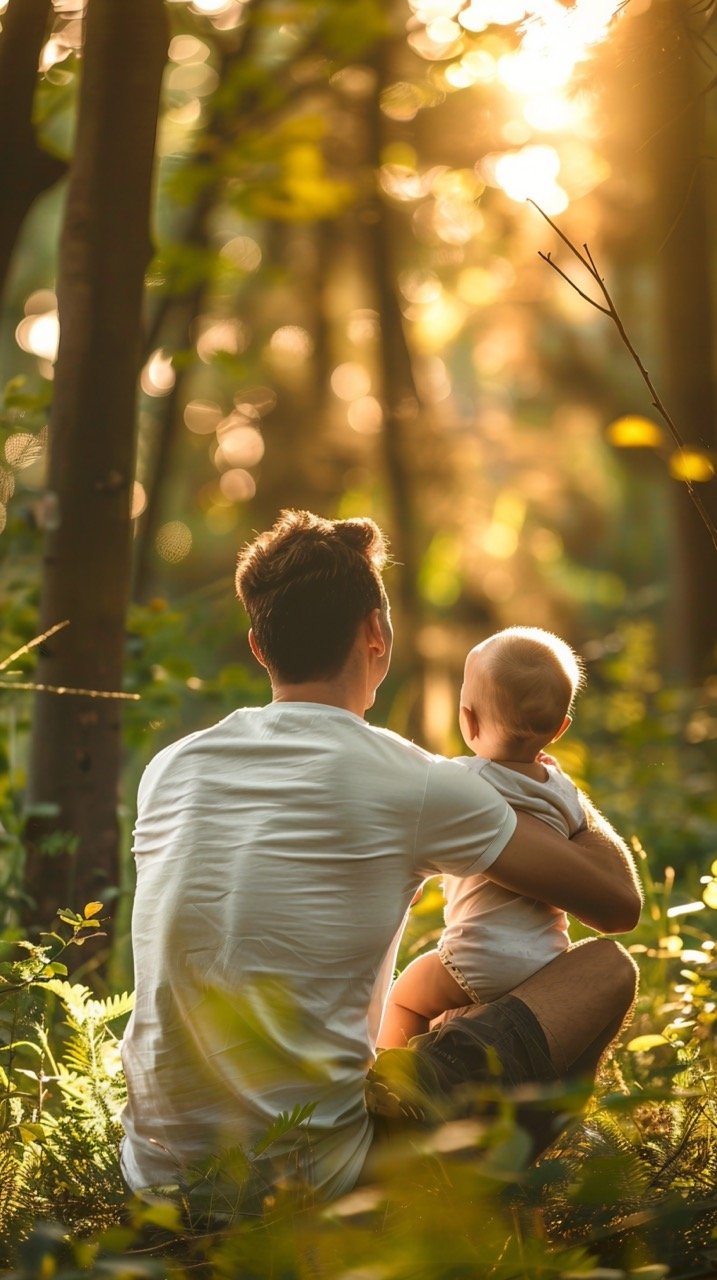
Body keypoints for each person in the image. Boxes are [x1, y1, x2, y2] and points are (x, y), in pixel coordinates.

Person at [120, 510, 641, 1204]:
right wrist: (557, 790)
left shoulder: (171, 769)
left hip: (158, 1183)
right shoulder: (414, 780)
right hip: (313, 1180)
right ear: (375, 633)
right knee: (605, 970)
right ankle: (481, 1211)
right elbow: (617, 904)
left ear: (257, 646)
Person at [378, 626, 627, 1049]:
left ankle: (395, 1073)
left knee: (405, 1001)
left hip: (477, 960)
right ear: (560, 728)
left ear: (467, 718)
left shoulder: (462, 779)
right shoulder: (565, 793)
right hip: (546, 963)